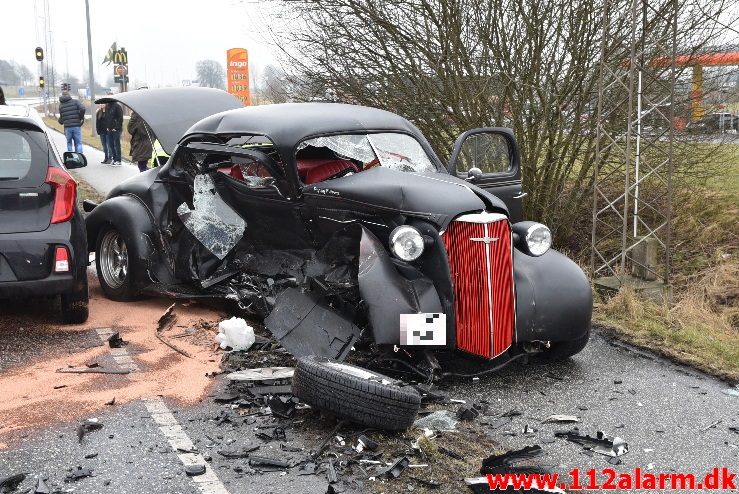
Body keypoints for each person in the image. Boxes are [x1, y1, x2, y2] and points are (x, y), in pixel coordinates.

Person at [57, 85, 85, 153]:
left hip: (67, 127)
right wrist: (80, 117)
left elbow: (61, 119)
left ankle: (71, 158)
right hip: (76, 126)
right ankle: (80, 158)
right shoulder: (75, 102)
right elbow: (83, 108)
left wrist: (60, 121)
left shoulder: (61, 105)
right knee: (78, 143)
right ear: (69, 95)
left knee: (69, 143)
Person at [106, 100, 123, 166]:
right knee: (111, 144)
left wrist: (116, 127)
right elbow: (107, 118)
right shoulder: (107, 106)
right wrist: (107, 126)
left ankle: (119, 160)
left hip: (116, 129)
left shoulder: (117, 106)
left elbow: (120, 118)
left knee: (117, 144)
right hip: (109, 129)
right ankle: (114, 158)